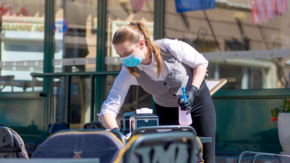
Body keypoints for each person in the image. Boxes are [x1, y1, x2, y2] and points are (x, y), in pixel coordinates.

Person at [99, 21, 216, 162]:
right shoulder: (128, 71)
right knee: (171, 158)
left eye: (127, 53)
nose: (124, 59)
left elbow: (201, 64)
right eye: (120, 55)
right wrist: (115, 130)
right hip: (165, 111)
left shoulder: (169, 47)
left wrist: (193, 90)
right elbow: (109, 107)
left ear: (141, 44)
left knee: (206, 155)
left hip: (197, 104)